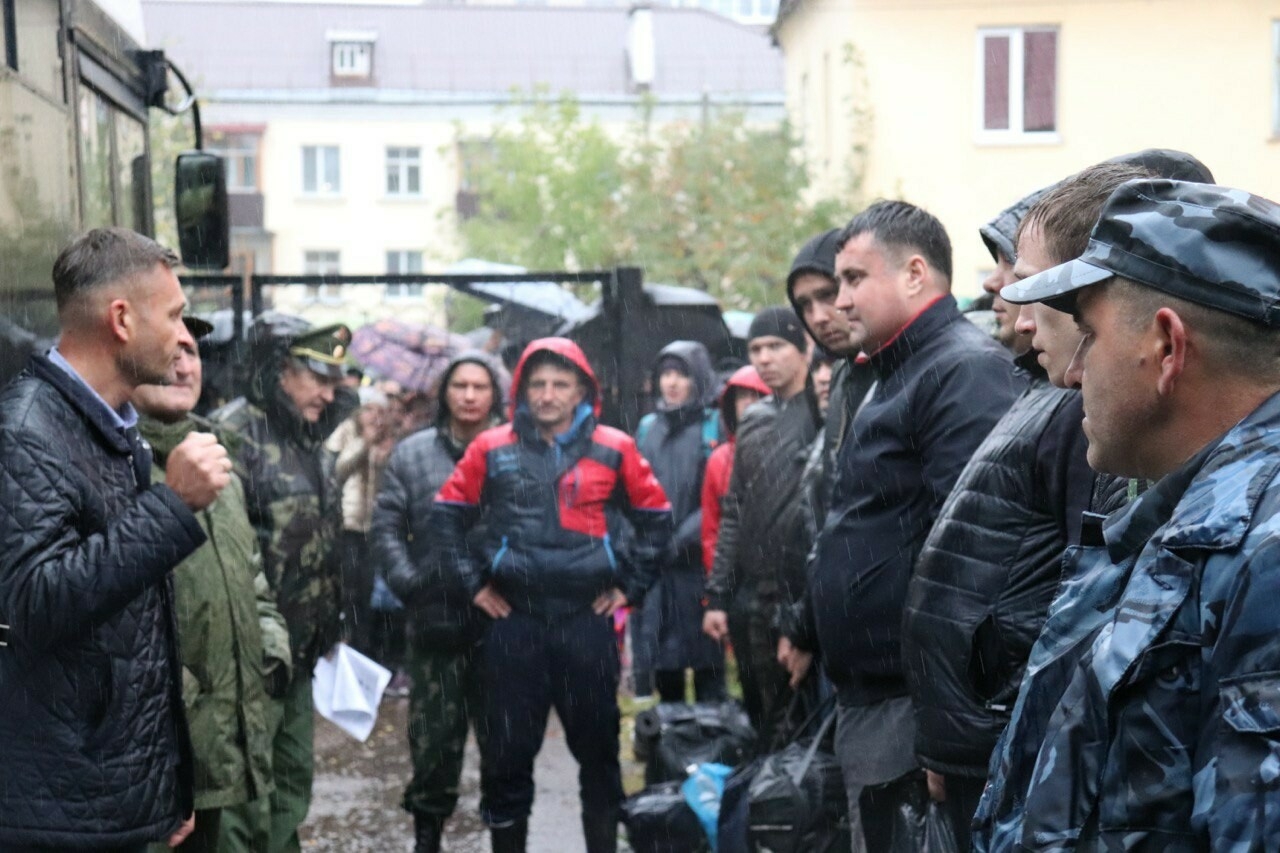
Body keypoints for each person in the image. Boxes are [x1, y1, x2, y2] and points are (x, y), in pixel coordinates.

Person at [975, 178, 1280, 850]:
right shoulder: (1201, 515)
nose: (1072, 371)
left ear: (1167, 347)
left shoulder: (1265, 549)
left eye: (1089, 333)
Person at [0, 227, 231, 850]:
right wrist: (172, 507)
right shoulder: (26, 430)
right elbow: (33, 606)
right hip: (57, 816)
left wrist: (163, 782)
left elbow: (131, 633)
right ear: (122, 319)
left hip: (102, 798)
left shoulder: (108, 428)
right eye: (175, 315)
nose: (184, 336)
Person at [807, 201, 1023, 850]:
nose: (840, 301)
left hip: (912, 708)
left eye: (854, 278)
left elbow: (972, 564)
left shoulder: (961, 370)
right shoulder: (894, 370)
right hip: (879, 698)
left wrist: (943, 729)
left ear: (914, 273)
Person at [898, 189, 1092, 848]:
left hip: (1007, 745)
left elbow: (1078, 602)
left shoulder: (1075, 408)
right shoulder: (1039, 391)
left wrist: (990, 729)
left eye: (1014, 267)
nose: (994, 284)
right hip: (981, 741)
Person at [430, 337, 672, 853]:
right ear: (521, 390)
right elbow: (446, 516)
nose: (547, 394)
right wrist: (474, 586)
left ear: (581, 390)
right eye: (537, 384)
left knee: (599, 758)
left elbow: (656, 517)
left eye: (560, 384)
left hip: (586, 622)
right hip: (512, 624)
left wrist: (629, 586)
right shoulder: (491, 446)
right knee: (505, 761)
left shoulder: (615, 446)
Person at [134, 324, 293, 853]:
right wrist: (176, 695)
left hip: (226, 743)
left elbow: (252, 577)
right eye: (168, 350)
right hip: (155, 756)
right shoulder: (110, 467)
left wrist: (270, 649)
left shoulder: (220, 464)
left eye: (192, 352)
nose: (184, 366)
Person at [213, 316, 355, 853]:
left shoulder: (308, 438)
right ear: (278, 371)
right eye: (316, 377)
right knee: (242, 804)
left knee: (290, 790)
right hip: (248, 660)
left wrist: (329, 627)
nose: (329, 393)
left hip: (299, 655)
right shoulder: (230, 434)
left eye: (334, 380)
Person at [373, 350, 508, 853]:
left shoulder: (512, 448)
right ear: (445, 393)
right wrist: (410, 583)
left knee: (503, 749)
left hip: (502, 622)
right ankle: (426, 837)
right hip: (435, 620)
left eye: (480, 386)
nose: (469, 396)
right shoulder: (413, 455)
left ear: (494, 394)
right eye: (460, 386)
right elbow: (386, 525)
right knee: (433, 749)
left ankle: (506, 837)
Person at [703, 306, 821, 747]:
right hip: (755, 594)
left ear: (802, 347)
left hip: (805, 591)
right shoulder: (752, 419)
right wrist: (718, 594)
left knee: (804, 719)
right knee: (764, 715)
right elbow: (734, 510)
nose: (765, 358)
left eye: (775, 346)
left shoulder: (823, 411)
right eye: (756, 349)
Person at [632, 341, 726, 703]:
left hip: (698, 567)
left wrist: (681, 540)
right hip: (658, 569)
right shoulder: (648, 428)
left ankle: (713, 733)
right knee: (665, 665)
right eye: (666, 374)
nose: (671, 383)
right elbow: (635, 490)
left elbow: (719, 496)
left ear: (697, 379)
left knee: (708, 667)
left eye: (681, 375)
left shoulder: (713, 426)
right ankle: (673, 733)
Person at [700, 365, 771, 576]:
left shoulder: (786, 448)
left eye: (756, 395)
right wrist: (718, 581)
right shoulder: (718, 460)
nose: (748, 402)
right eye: (742, 396)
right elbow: (711, 529)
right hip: (733, 576)